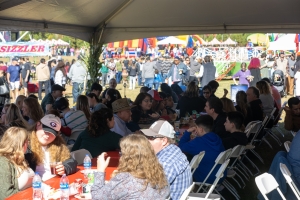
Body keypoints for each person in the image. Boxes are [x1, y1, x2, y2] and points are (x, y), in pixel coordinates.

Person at [91, 134, 170, 199]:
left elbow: (96, 196)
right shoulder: (159, 172)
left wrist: (100, 171)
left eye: (122, 152)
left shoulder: (126, 180)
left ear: (127, 156)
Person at [142, 120, 192, 199]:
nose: (147, 141)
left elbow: (149, 192)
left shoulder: (166, 163)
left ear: (164, 141)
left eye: (151, 137)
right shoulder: (174, 150)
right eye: (147, 137)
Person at [25, 114, 77, 181]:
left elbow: (72, 161)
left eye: (51, 133)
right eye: (45, 131)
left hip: (55, 183)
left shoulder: (57, 145)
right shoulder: (26, 144)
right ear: (38, 125)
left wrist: (64, 168)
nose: (47, 135)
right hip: (35, 185)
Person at [178, 115, 225, 184]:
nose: (195, 129)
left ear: (201, 129)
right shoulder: (216, 137)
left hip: (205, 177)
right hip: (220, 174)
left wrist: (188, 132)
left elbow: (181, 146)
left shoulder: (199, 142)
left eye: (196, 127)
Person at [0, 127, 34, 199]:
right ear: (20, 143)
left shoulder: (21, 159)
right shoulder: (3, 162)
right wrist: (31, 195)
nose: (28, 144)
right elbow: (6, 194)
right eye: (27, 141)